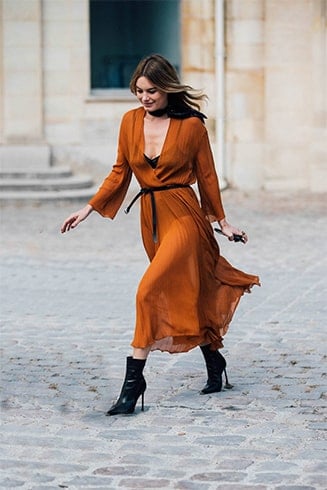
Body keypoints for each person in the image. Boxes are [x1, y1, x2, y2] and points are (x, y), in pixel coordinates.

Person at [61, 54, 260, 416]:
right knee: (186, 290)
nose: (144, 97)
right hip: (152, 221)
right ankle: (214, 360)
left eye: (152, 90)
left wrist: (222, 222)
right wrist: (88, 208)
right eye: (139, 90)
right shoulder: (129, 121)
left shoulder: (192, 127)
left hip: (185, 215)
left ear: (167, 88)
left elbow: (209, 176)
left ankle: (133, 385)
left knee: (148, 291)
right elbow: (120, 171)